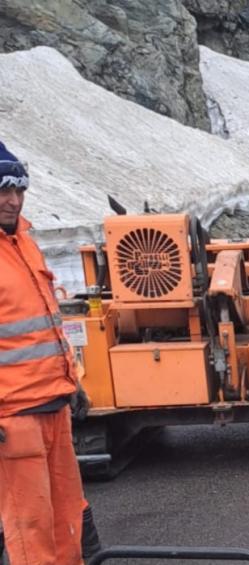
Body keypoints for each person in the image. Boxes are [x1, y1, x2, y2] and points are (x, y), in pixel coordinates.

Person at [0, 141, 89, 565]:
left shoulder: (25, 245)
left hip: (54, 406)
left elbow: (48, 324)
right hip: (13, 420)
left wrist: (74, 382)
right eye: (2, 190)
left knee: (66, 521)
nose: (12, 200)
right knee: (30, 529)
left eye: (18, 190)